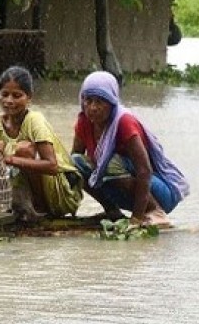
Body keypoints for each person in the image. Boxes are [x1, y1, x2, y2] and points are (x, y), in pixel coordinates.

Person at [70, 71, 190, 227]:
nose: (93, 108)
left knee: (109, 162)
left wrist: (136, 218)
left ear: (112, 102)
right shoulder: (84, 121)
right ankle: (112, 210)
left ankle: (155, 212)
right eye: (89, 100)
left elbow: (145, 171)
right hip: (124, 192)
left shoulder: (124, 122)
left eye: (100, 102)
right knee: (75, 163)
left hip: (156, 192)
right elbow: (75, 160)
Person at [0, 66, 82, 221]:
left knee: (24, 150)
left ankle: (40, 208)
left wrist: (9, 159)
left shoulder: (34, 120)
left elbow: (52, 166)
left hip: (59, 193)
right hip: (18, 190)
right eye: (5, 94)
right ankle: (15, 205)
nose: (9, 101)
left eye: (17, 96)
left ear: (29, 98)